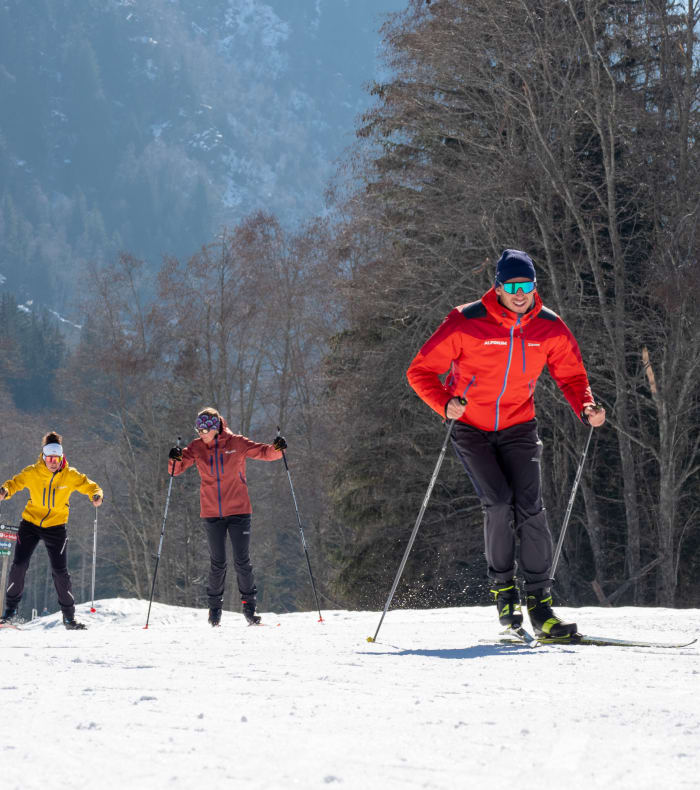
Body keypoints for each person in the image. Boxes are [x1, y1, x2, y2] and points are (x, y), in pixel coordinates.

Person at [407, 249, 605, 637]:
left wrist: (586, 407)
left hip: (519, 426)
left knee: (531, 508)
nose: (519, 293)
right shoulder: (466, 321)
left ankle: (541, 607)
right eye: (511, 286)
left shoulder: (549, 327)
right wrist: (445, 403)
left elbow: (572, 376)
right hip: (471, 427)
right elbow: (420, 371)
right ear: (497, 287)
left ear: (534, 286)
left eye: (526, 285)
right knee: (498, 503)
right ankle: (504, 596)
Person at [168, 408, 287, 627]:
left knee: (242, 561)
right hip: (212, 513)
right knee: (218, 563)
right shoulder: (196, 447)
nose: (200, 433)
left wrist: (278, 449)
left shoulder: (236, 443)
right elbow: (176, 469)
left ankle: (250, 610)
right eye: (198, 429)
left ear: (215, 428)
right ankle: (214, 613)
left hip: (239, 511)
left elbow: (263, 452)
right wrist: (174, 458)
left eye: (204, 429)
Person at [0, 431, 103, 630]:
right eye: (50, 458)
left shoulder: (70, 475)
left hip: (56, 527)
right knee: (19, 566)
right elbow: (14, 483)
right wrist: (4, 491)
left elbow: (89, 486)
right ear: (44, 457)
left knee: (60, 572)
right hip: (30, 524)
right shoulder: (33, 472)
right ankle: (10, 613)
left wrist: (97, 494)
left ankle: (69, 618)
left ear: (61, 457)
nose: (53, 462)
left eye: (57, 458)